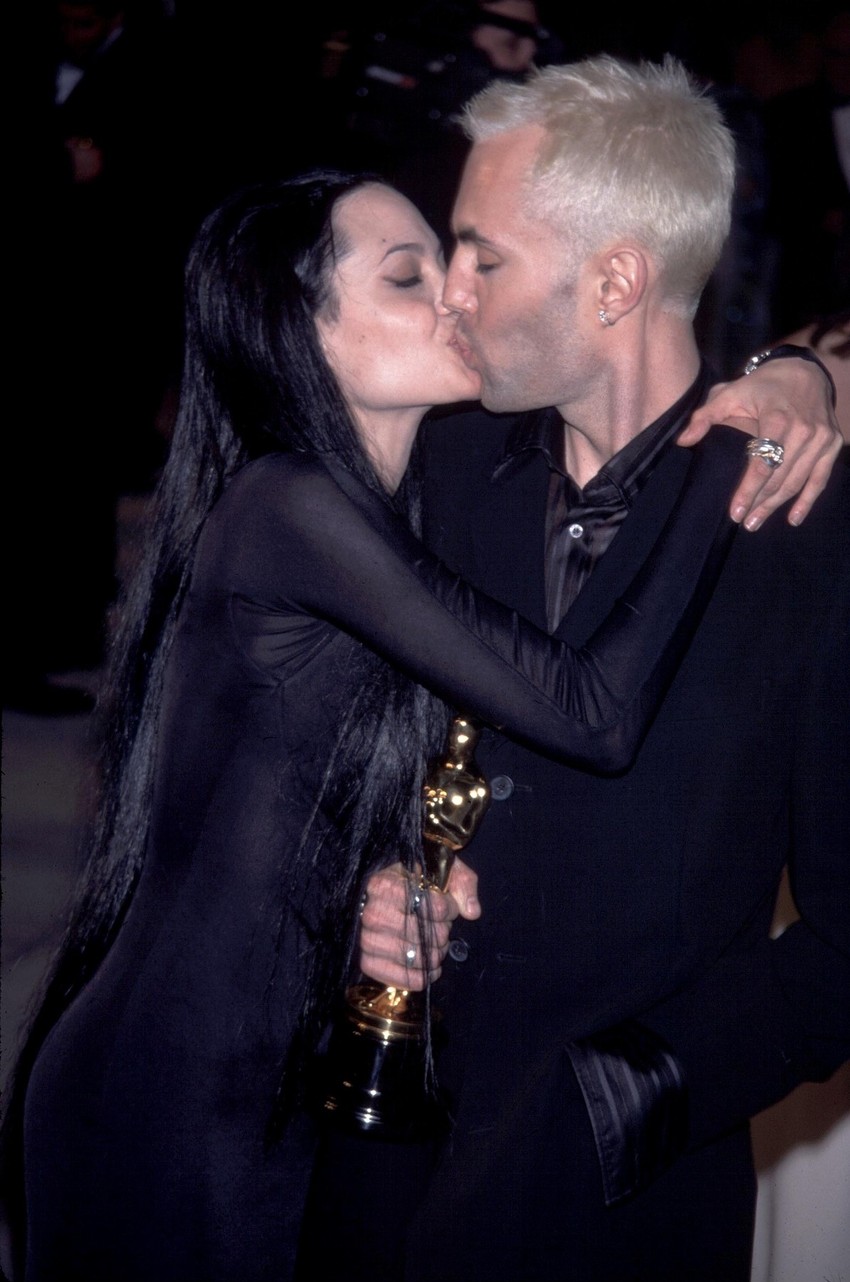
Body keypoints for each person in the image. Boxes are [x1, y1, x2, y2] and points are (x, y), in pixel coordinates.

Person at [2, 166, 829, 1282]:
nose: (456, 295)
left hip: (288, 1094)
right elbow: (591, 711)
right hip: (167, 1097)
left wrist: (792, 373)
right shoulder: (289, 505)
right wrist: (732, 444)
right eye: (409, 277)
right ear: (303, 333)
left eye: (458, 262)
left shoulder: (416, 500)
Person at [350, 56, 850, 1282]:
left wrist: (644, 1088)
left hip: (631, 1207)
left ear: (616, 280)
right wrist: (373, 885)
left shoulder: (800, 535)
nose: (452, 292)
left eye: (484, 257)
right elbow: (350, 750)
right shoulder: (442, 470)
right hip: (389, 1146)